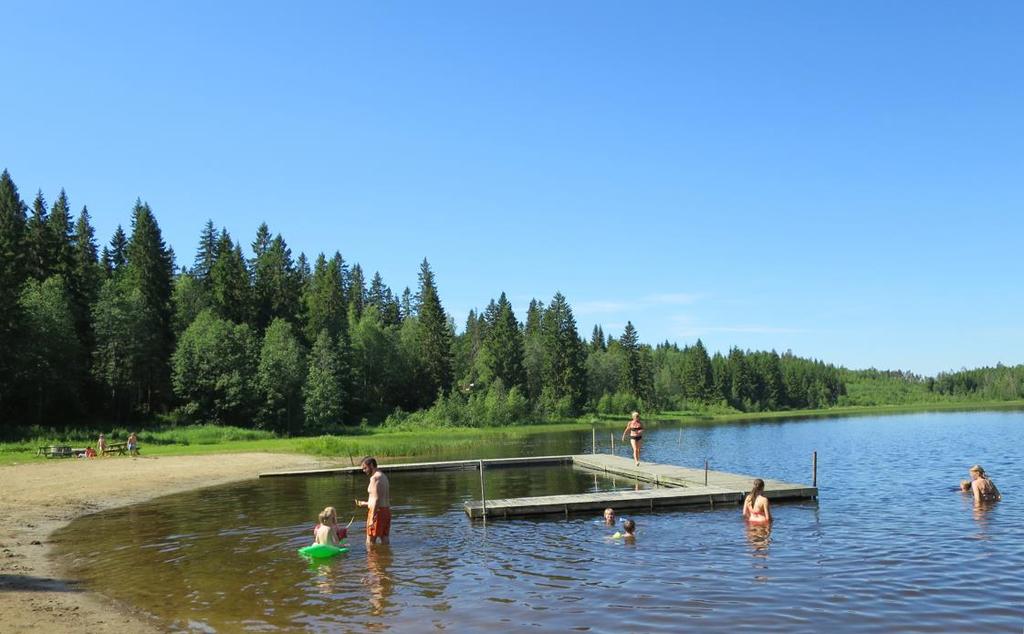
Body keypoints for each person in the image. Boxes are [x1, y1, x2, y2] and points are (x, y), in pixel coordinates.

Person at [356, 457, 391, 545]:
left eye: (365, 468)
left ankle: (371, 559)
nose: (364, 470)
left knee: (370, 541)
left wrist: (372, 518)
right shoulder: (383, 476)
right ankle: (386, 557)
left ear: (371, 465)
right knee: (384, 538)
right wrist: (365, 503)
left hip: (377, 513)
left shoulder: (374, 478)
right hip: (386, 511)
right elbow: (380, 498)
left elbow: (376, 499)